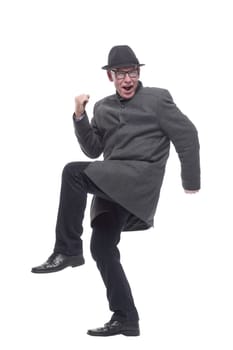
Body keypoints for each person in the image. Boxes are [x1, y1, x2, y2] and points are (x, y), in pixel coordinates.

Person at [31, 45, 201, 337]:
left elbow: (187, 135)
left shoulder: (158, 99)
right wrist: (80, 115)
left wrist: (191, 181)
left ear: (139, 73)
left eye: (132, 72)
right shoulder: (103, 107)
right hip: (111, 182)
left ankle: (68, 249)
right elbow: (94, 149)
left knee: (73, 172)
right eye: (121, 73)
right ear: (110, 76)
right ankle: (126, 318)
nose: (127, 79)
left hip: (139, 178)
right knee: (102, 248)